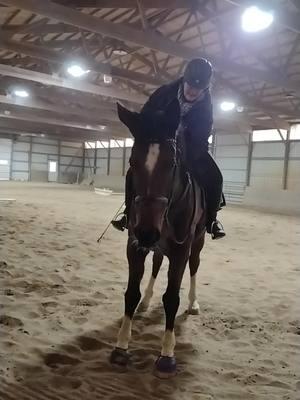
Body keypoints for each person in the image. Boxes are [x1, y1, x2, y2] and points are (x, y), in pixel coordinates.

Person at [112, 58, 225, 240]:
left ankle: (212, 220)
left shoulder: (206, 106)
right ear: (184, 80)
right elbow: (146, 115)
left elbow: (203, 132)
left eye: (198, 89)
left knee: (216, 177)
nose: (192, 91)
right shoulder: (164, 92)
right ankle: (127, 213)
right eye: (189, 85)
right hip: (161, 140)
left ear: (205, 88)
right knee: (133, 173)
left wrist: (187, 144)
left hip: (190, 146)